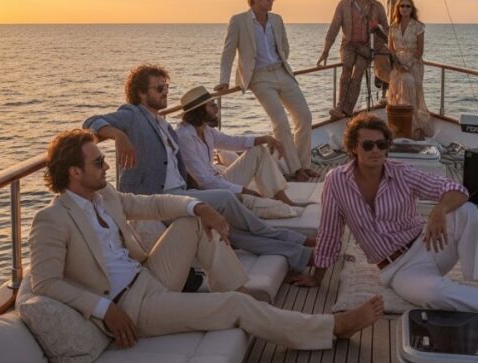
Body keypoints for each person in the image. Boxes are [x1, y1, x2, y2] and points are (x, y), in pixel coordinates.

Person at [28, 129, 384, 350]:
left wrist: (199, 207)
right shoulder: (52, 219)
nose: (107, 167)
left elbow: (152, 203)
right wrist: (106, 310)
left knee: (195, 223)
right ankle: (331, 328)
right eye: (99, 162)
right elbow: (45, 283)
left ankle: (240, 291)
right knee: (235, 308)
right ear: (74, 172)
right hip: (132, 306)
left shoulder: (104, 195)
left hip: (149, 276)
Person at [290, 114, 478, 321]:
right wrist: (317, 277)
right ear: (353, 149)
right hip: (398, 268)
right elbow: (329, 233)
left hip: (428, 245)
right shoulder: (336, 182)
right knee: (436, 295)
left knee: (467, 211)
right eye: (367, 145)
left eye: (381, 144)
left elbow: (456, 190)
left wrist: (439, 210)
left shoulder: (400, 172)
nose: (375, 150)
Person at [84, 64, 313, 274]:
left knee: (232, 232)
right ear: (142, 93)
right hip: (157, 197)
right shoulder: (132, 115)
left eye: (166, 86)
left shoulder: (161, 122)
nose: (165, 91)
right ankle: (292, 240)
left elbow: (225, 144)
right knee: (226, 199)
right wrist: (118, 135)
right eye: (159, 88)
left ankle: (299, 252)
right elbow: (91, 121)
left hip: (181, 192)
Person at [216, 0, 318, 182]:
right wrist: (224, 81)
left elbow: (284, 47)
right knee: (280, 121)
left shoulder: (277, 20)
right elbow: (228, 53)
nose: (272, 1)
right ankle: (294, 169)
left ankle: (304, 165)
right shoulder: (238, 21)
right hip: (260, 77)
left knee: (305, 116)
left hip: (282, 71)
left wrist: (280, 62)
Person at [176, 85, 298, 207]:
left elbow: (232, 142)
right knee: (256, 195)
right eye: (212, 105)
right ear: (200, 110)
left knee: (258, 149)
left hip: (218, 180)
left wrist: (266, 138)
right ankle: (277, 200)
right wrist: (244, 190)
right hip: (209, 192)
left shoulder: (205, 130)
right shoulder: (184, 137)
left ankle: (281, 198)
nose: (216, 109)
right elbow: (204, 181)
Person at [317, 0, 390, 120]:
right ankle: (339, 107)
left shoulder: (377, 7)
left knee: (357, 76)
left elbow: (387, 30)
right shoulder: (343, 4)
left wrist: (378, 45)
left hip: (366, 46)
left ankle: (347, 111)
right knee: (346, 72)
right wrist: (325, 51)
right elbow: (333, 29)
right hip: (348, 45)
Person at [387, 0, 432, 139]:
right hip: (397, 64)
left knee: (411, 91)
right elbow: (390, 48)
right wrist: (397, 64)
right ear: (398, 8)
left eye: (408, 6)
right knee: (397, 95)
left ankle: (414, 127)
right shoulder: (393, 27)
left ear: (412, 9)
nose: (405, 9)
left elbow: (420, 50)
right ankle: (398, 126)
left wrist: (408, 65)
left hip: (413, 64)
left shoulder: (418, 26)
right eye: (402, 6)